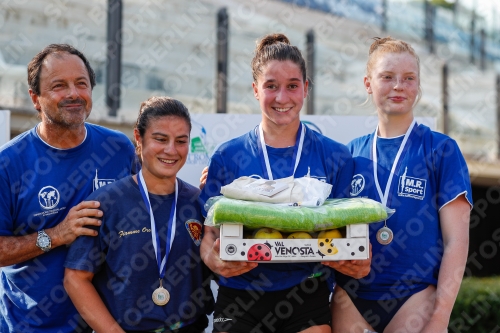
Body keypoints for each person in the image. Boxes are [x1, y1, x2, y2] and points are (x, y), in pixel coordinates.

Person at [199, 33, 370, 333]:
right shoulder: (228, 155)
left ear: (305, 89)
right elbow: (209, 233)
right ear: (255, 89)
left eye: (292, 86)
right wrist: (213, 261)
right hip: (240, 291)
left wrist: (358, 257)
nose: (282, 97)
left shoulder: (335, 156)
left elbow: (350, 233)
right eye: (271, 86)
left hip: (306, 293)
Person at [332, 37, 472, 333]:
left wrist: (440, 320)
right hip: (351, 299)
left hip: (415, 296)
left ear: (418, 86)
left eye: (409, 79)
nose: (399, 86)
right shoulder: (349, 155)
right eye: (387, 77)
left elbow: (456, 242)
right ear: (368, 83)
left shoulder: (441, 149)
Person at [0, 44, 138, 332]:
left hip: (108, 322)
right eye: (59, 86)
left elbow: (146, 211)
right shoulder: (9, 163)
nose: (74, 94)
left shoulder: (119, 148)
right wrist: (55, 235)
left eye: (81, 83)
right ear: (35, 99)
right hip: (34, 325)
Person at [64, 96, 214, 333]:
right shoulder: (106, 203)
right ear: (138, 138)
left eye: (181, 141)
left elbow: (219, 269)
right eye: (160, 139)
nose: (171, 150)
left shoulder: (199, 203)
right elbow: (75, 278)